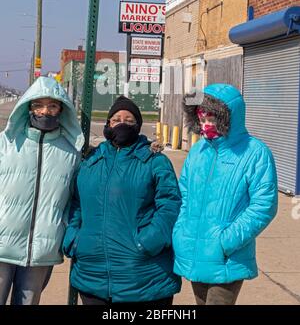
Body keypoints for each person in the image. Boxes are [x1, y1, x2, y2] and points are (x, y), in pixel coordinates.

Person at [63, 95, 181, 306]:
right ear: (108, 124)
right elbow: (76, 204)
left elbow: (171, 206)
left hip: (144, 277)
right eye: (116, 119)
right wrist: (75, 240)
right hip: (93, 276)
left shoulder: (155, 162)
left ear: (138, 126)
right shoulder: (90, 161)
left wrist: (146, 242)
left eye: (129, 120)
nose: (122, 124)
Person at [172, 83, 278, 305]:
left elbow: (264, 205)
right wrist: (181, 232)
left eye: (211, 117)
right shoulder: (197, 151)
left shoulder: (254, 152)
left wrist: (226, 241)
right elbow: (185, 196)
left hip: (227, 257)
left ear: (228, 116)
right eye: (201, 117)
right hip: (194, 250)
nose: (205, 123)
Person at [0, 77, 84, 305]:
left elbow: (73, 201)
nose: (45, 111)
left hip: (42, 249)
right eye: (38, 105)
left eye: (52, 105)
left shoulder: (70, 153)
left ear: (61, 110)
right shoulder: (6, 144)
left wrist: (61, 227)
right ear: (28, 107)